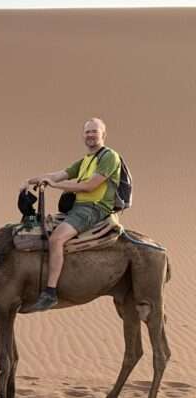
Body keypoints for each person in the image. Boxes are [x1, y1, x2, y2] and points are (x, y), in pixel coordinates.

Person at [22, 117, 122, 313]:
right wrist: (29, 180)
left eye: (94, 131)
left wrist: (55, 185)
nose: (90, 135)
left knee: (56, 239)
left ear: (104, 134)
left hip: (94, 208)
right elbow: (59, 174)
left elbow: (89, 186)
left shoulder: (109, 157)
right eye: (87, 132)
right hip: (77, 207)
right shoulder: (86, 160)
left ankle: (50, 292)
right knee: (38, 226)